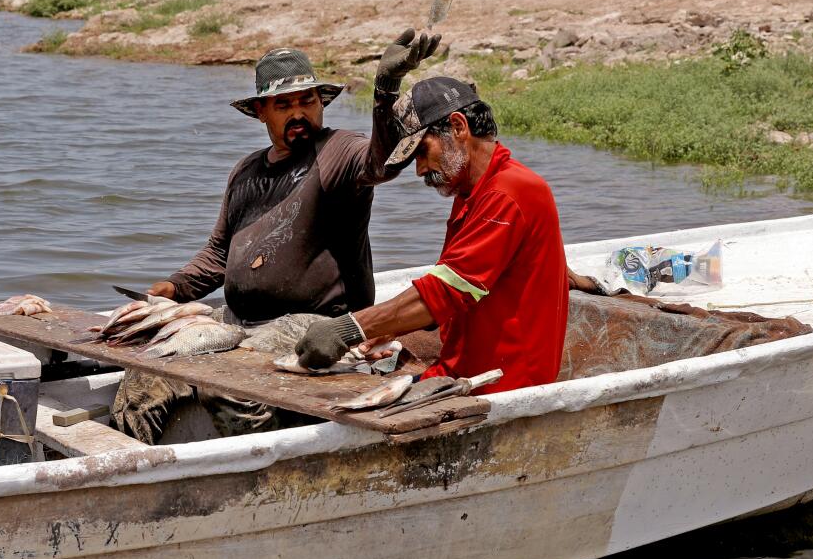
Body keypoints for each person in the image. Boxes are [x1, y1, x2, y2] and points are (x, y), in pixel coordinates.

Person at [110, 32, 441, 442]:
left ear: (321, 104)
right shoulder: (245, 171)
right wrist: (172, 289)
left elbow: (381, 161)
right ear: (262, 112)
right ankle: (137, 470)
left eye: (308, 101)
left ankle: (265, 471)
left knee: (229, 383)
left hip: (315, 322)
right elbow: (217, 254)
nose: (298, 113)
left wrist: (385, 90)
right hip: (234, 319)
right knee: (144, 375)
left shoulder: (338, 151)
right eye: (283, 105)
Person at [292, 75, 570, 392]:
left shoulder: (508, 193)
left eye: (422, 152)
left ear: (458, 127)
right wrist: (392, 328)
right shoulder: (473, 192)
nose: (420, 169)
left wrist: (350, 328)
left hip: (501, 386)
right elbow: (456, 284)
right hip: (459, 371)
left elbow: (448, 291)